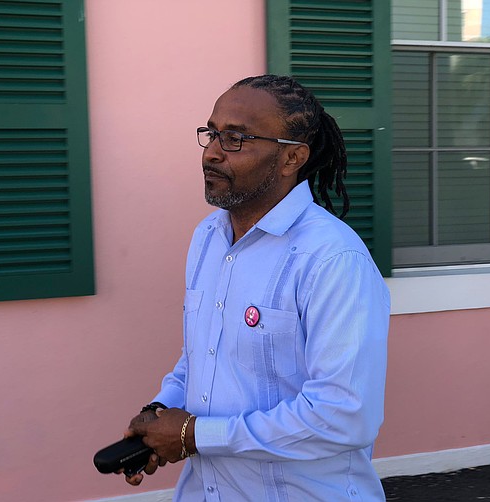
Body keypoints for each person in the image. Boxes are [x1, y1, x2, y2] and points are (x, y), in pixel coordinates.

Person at [124, 74, 390, 501]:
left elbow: (344, 415)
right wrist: (159, 415)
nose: (211, 152)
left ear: (292, 158)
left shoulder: (333, 259)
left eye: (235, 139)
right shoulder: (207, 238)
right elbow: (201, 357)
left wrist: (194, 435)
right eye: (211, 133)